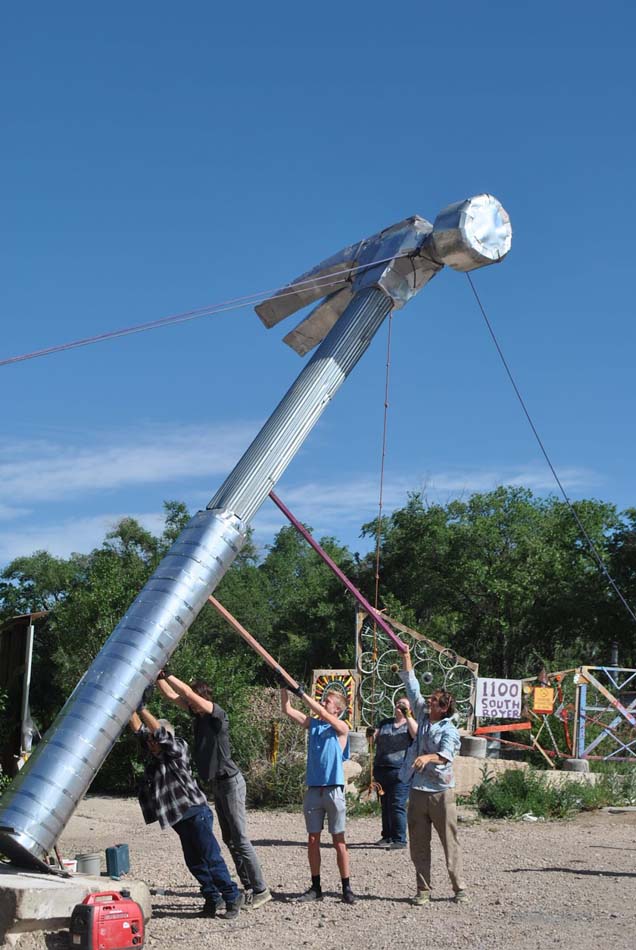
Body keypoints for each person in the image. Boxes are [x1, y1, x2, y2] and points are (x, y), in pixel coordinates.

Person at [155, 671, 271, 910]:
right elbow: (171, 695)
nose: (189, 704)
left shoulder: (217, 715)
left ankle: (261, 889)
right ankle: (248, 887)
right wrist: (156, 676)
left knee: (240, 839)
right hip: (218, 785)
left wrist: (168, 673)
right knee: (229, 839)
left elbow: (186, 693)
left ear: (202, 698)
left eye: (193, 701)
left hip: (231, 782)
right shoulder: (198, 716)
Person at [129, 703, 243, 919]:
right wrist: (129, 706)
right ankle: (212, 897)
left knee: (211, 857)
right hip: (180, 818)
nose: (151, 744)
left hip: (196, 812)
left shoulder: (178, 748)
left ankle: (232, 896)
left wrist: (143, 708)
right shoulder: (156, 754)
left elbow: (159, 734)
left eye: (155, 740)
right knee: (195, 862)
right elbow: (139, 731)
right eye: (150, 741)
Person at [399, 645, 468, 905]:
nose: (429, 701)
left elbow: (446, 756)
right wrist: (406, 656)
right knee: (418, 843)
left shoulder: (449, 730)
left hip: (441, 793)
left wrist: (427, 757)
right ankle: (423, 889)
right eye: (430, 699)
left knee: (449, 841)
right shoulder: (422, 715)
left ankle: (459, 888)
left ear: (444, 707)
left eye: (434, 700)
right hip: (418, 790)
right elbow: (412, 686)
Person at [280, 681, 355, 905]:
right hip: (314, 790)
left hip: (333, 790)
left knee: (338, 840)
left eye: (327, 701)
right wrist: (284, 688)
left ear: (337, 709)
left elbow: (321, 713)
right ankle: (316, 887)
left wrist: (301, 693)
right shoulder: (314, 725)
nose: (323, 703)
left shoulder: (341, 728)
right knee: (313, 839)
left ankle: (346, 887)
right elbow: (287, 710)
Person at [371, 696, 415, 849]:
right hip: (381, 768)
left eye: (404, 704)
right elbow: (373, 739)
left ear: (410, 709)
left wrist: (408, 716)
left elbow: (416, 734)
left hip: (401, 771)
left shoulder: (410, 724)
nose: (399, 705)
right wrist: (371, 734)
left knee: (397, 805)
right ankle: (387, 836)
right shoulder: (385, 723)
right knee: (385, 805)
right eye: (398, 703)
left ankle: (400, 839)